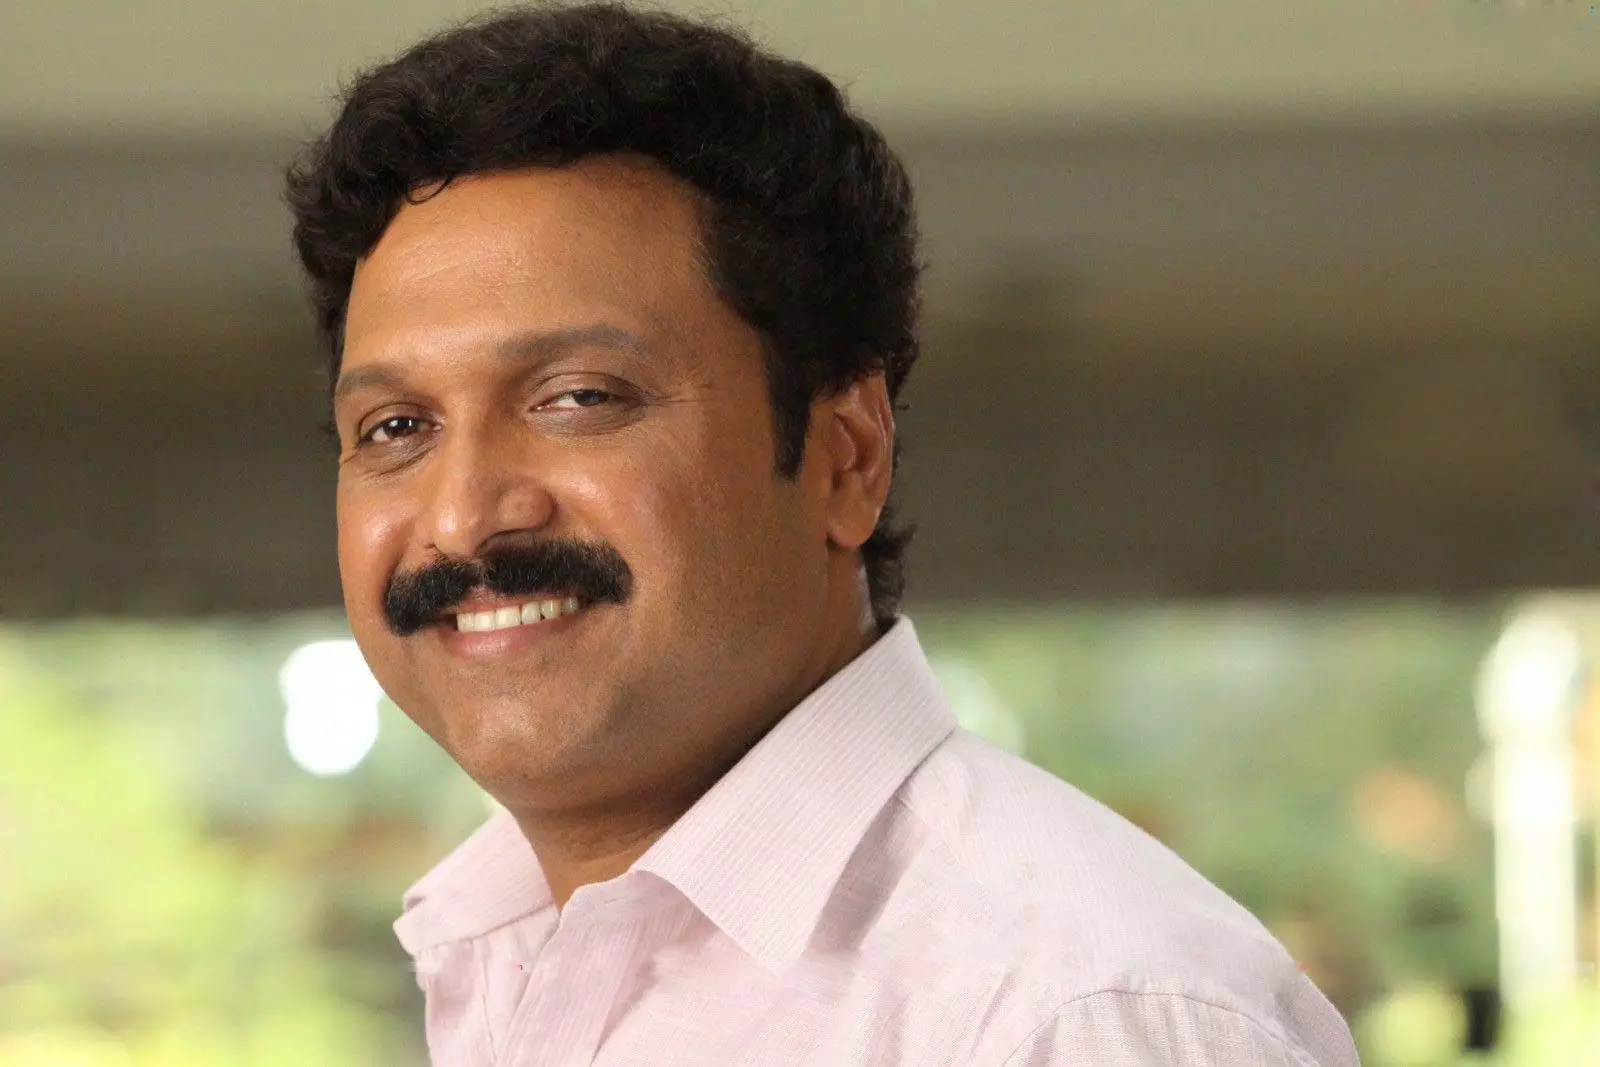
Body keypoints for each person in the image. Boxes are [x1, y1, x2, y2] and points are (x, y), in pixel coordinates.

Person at [285, 4, 1358, 1063]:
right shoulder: (492, 957)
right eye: (396, 427)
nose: (462, 514)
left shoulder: (1079, 1014)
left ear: (846, 458)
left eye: (579, 398)